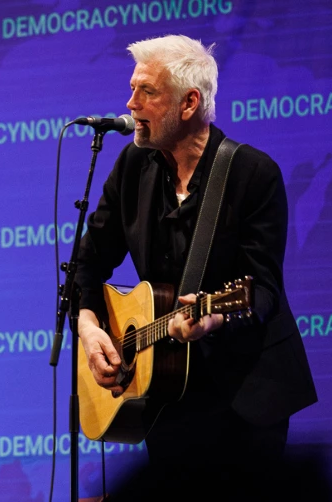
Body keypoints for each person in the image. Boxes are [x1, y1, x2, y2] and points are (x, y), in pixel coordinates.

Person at [74, 34, 317, 469]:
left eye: (146, 92)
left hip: (245, 400)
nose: (130, 104)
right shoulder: (131, 168)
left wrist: (216, 316)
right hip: (167, 401)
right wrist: (90, 329)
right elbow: (85, 265)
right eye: (132, 89)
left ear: (188, 104)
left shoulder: (252, 174)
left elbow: (262, 290)